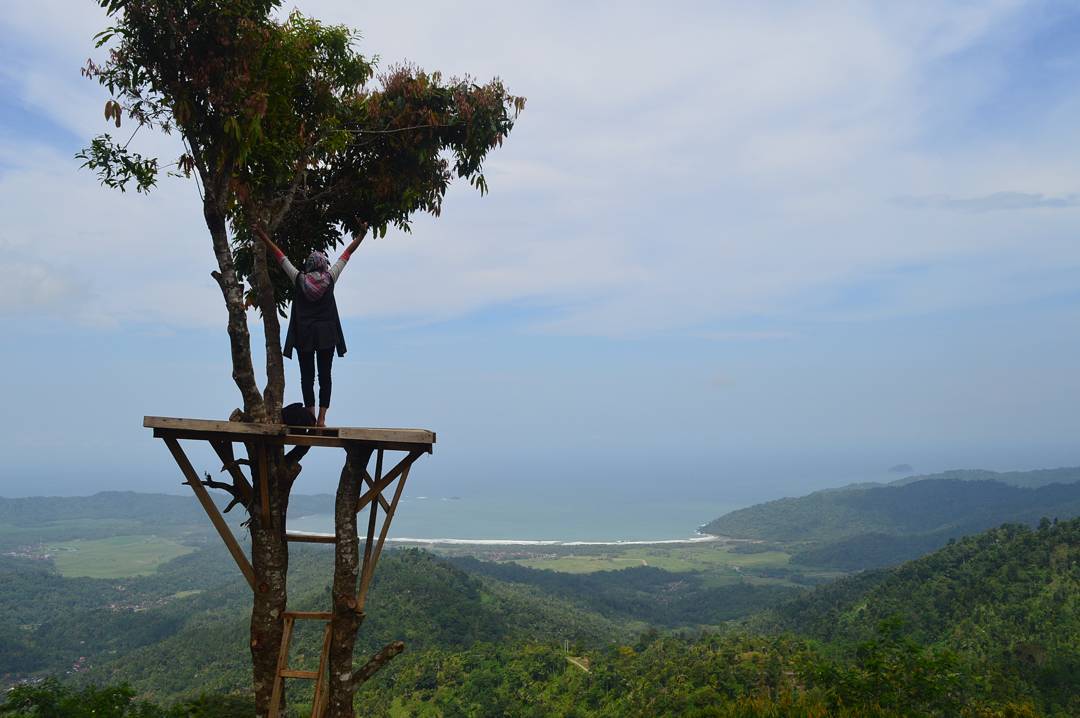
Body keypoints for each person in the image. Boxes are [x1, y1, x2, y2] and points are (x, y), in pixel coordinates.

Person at [252, 223, 367, 426]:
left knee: (307, 377)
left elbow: (280, 257)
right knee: (325, 376)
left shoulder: (299, 279)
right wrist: (361, 235)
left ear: (309, 266)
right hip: (326, 335)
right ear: (323, 265)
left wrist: (262, 234)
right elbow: (346, 254)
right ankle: (322, 419)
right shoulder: (331, 277)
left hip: (304, 334)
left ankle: (311, 417)